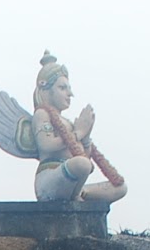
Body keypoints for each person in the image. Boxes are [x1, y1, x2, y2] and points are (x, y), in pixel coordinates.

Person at [31, 52, 126, 204]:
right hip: (49, 181)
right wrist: (78, 132)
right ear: (46, 90)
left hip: (72, 179)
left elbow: (85, 157)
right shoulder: (42, 114)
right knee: (81, 164)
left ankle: (79, 192)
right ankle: (74, 196)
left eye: (68, 88)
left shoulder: (66, 122)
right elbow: (46, 145)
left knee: (120, 188)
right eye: (62, 88)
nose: (70, 94)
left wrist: (86, 136)